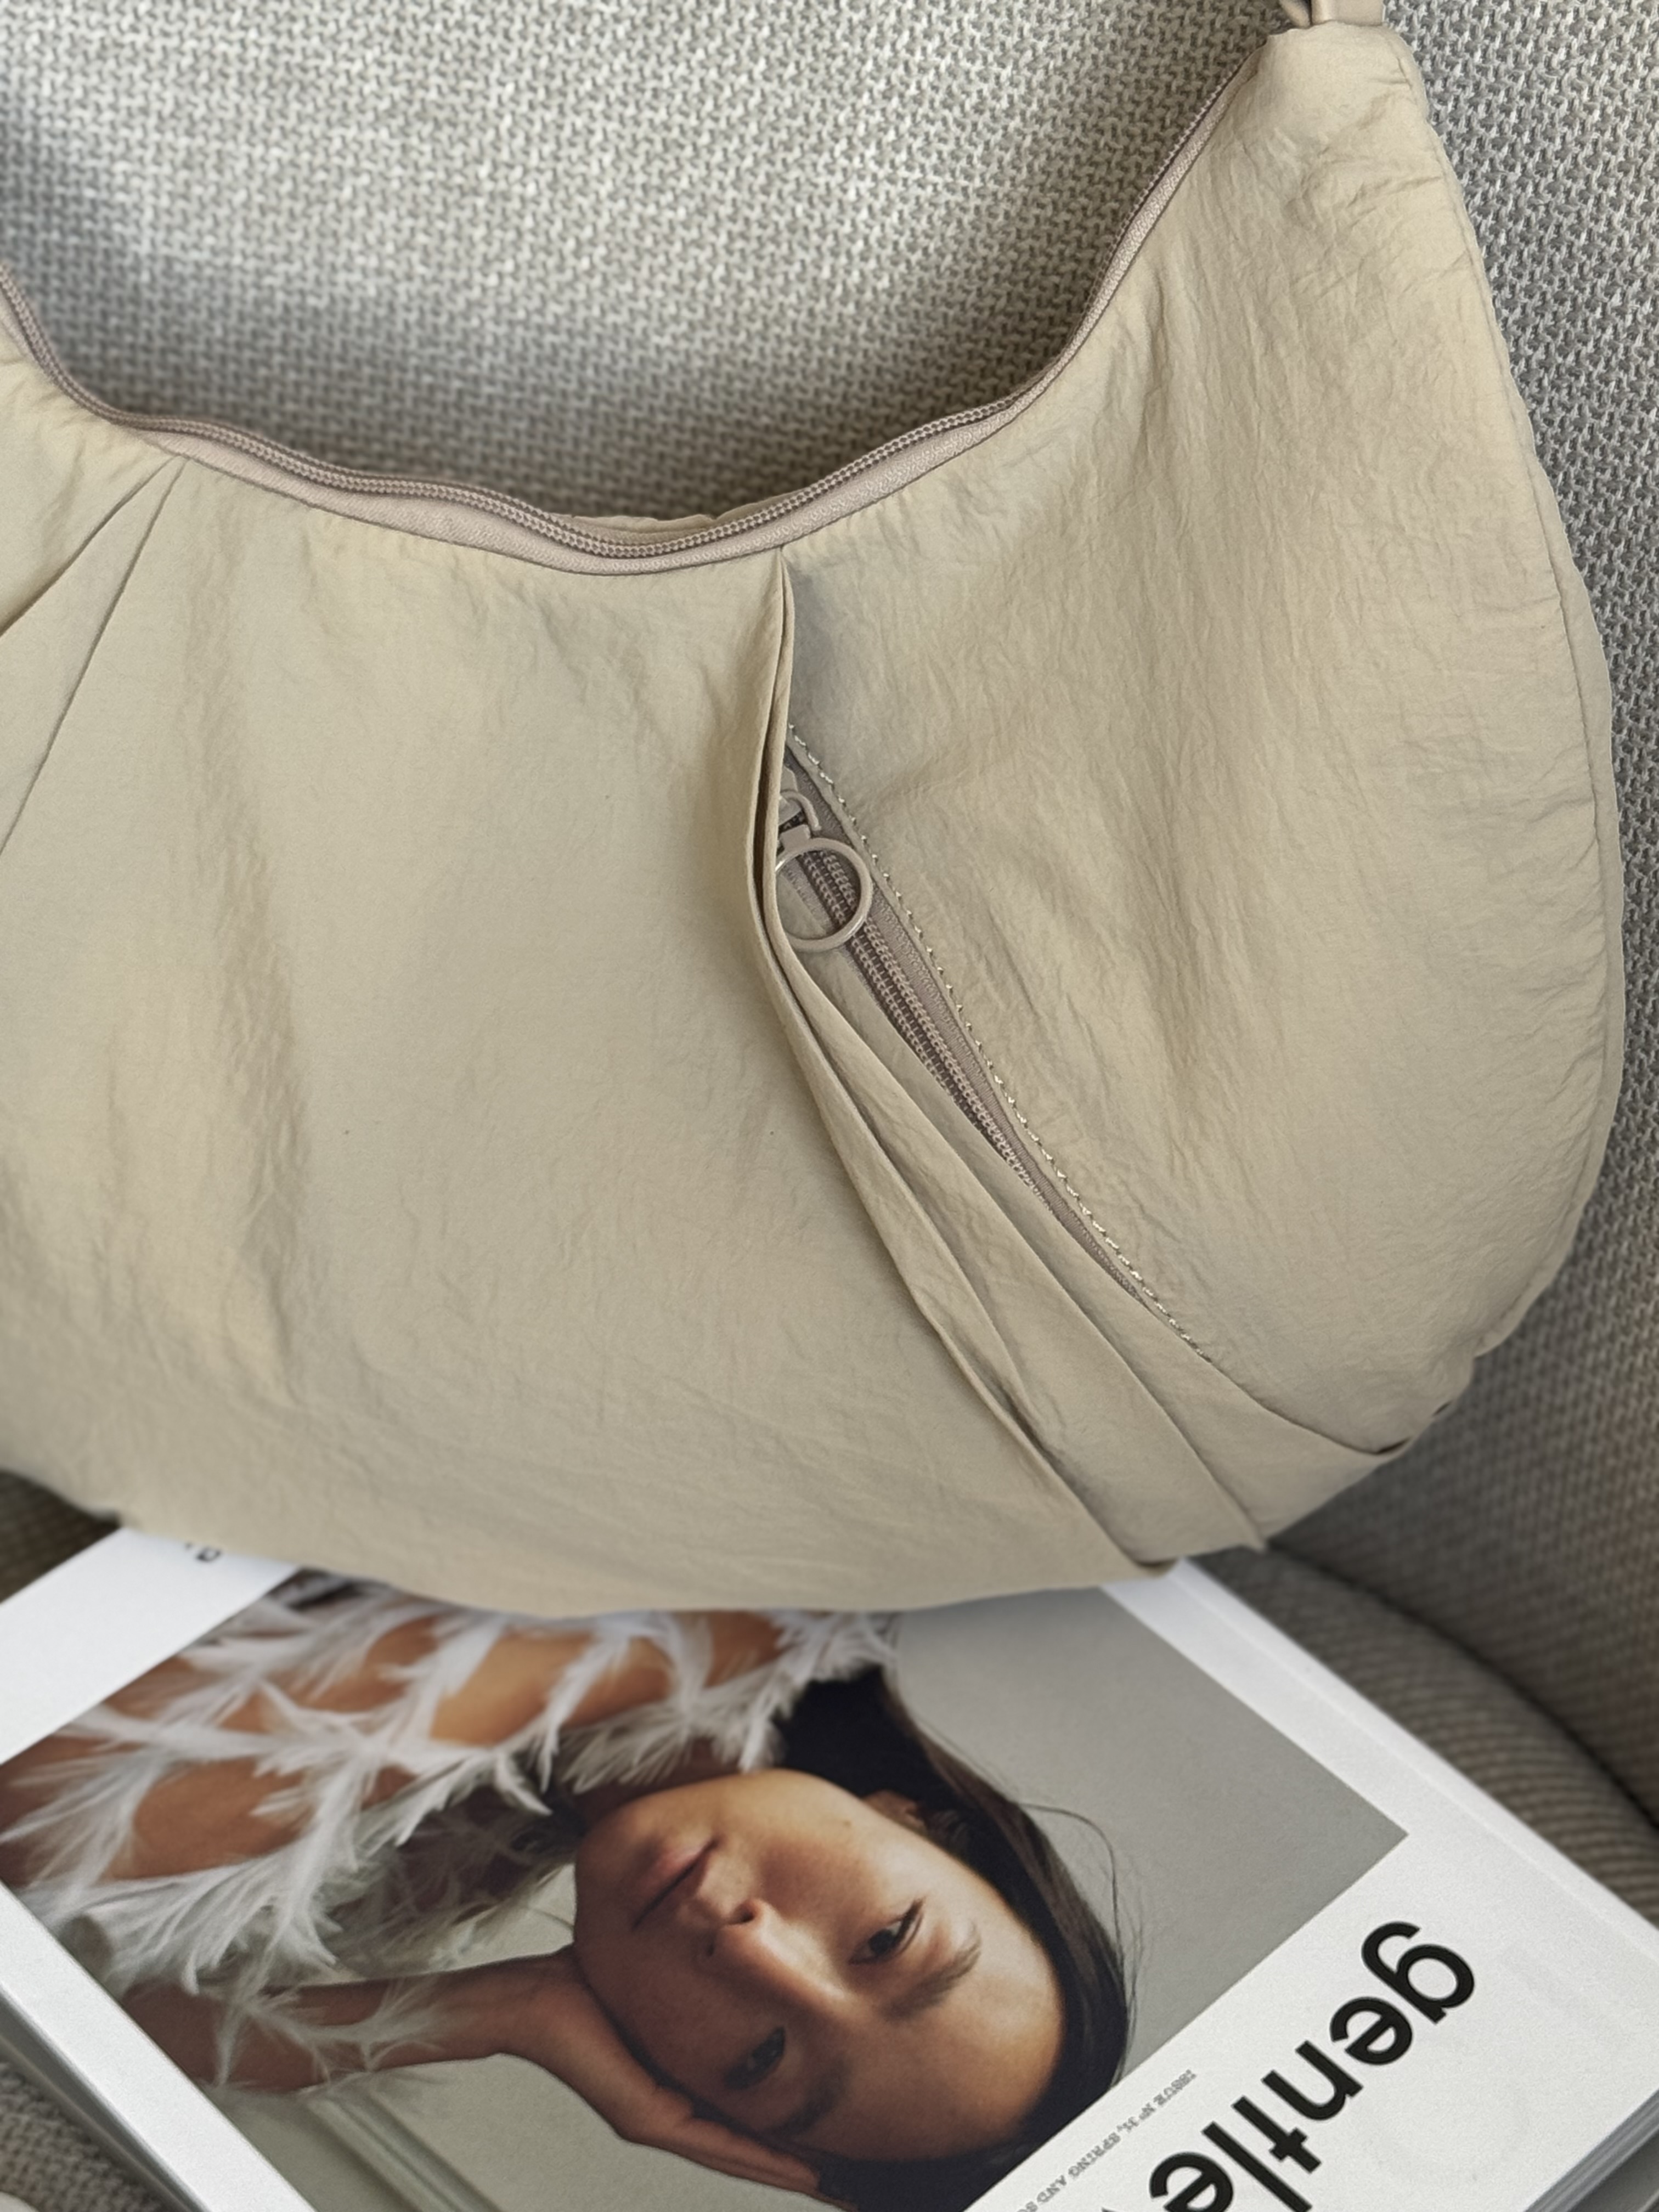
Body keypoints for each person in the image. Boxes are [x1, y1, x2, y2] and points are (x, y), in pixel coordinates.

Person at [0, 1580, 1130, 2209]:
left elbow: (72, 2014)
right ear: (920, 1820)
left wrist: (505, 2012)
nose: (752, 1952)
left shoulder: (471, 1856)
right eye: (887, 1938)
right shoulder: (765, 1583)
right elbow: (38, 1810)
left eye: (759, 2059)